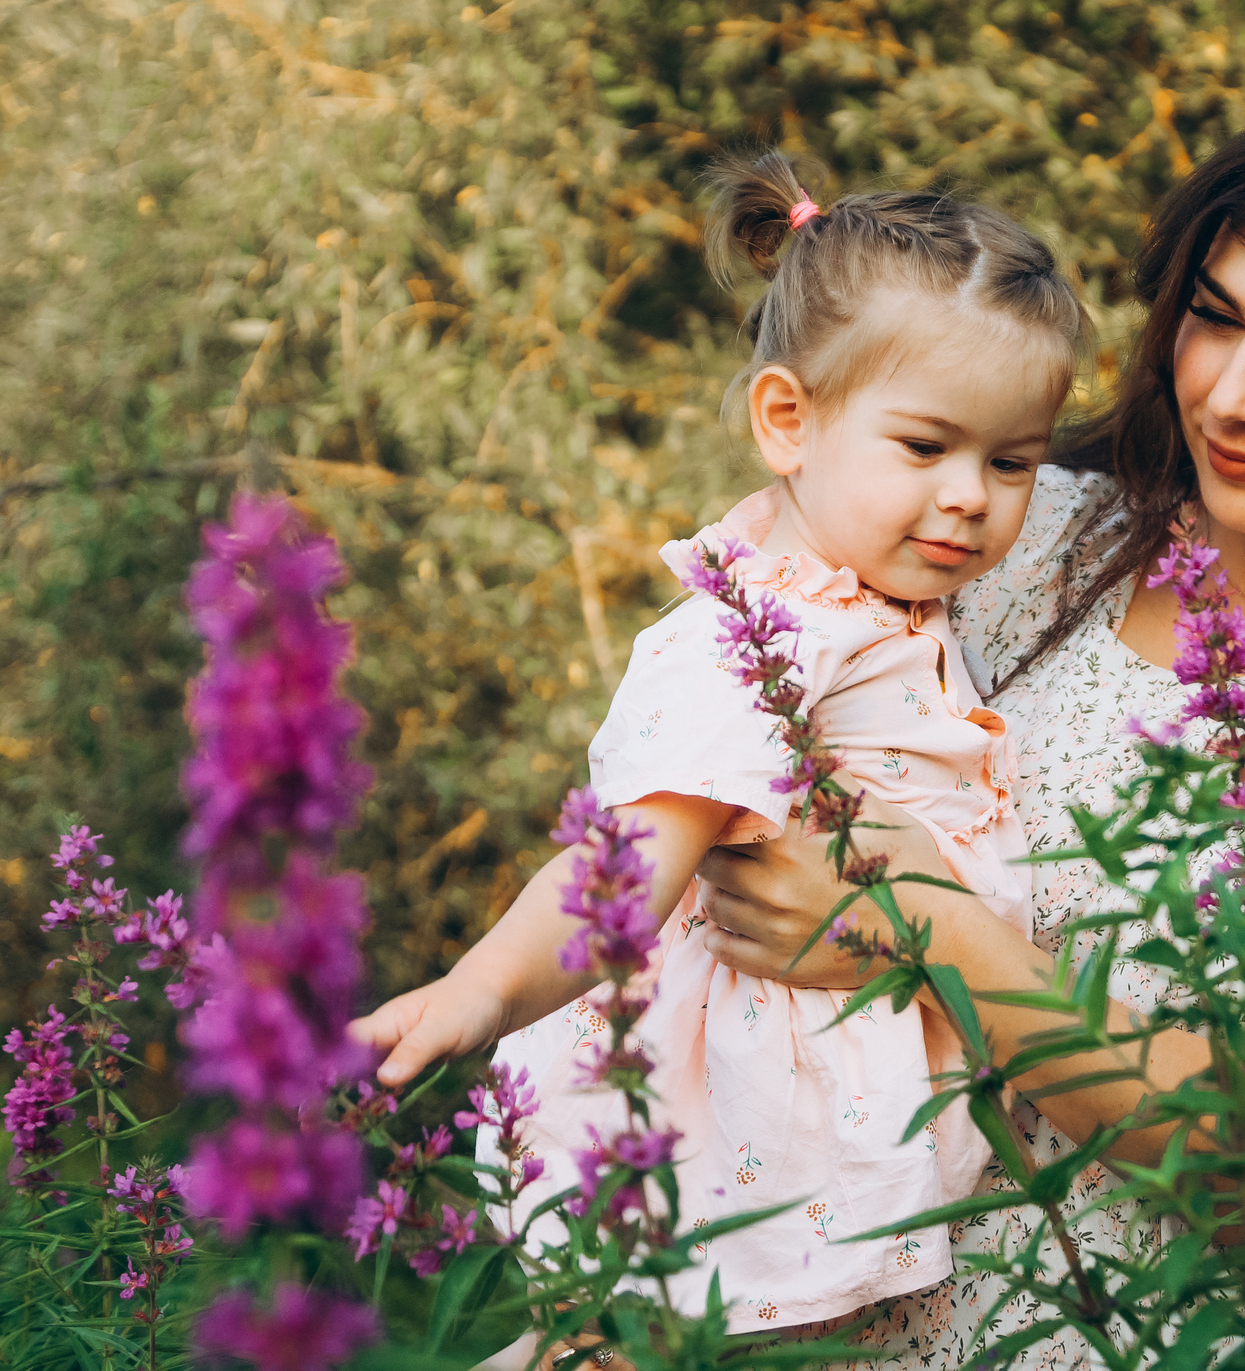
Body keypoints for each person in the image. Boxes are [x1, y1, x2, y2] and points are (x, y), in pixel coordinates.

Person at [685, 95, 1245, 1367]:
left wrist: (945, 938)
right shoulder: (1015, 538)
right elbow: (712, 750)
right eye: (1214, 318)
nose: (1230, 395)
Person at [352, 153, 1087, 1333]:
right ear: (787, 420)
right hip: (740, 1111)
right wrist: (480, 989)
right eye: (926, 447)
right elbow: (628, 864)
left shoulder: (876, 600)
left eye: (1009, 462)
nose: (969, 496)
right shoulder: (757, 635)